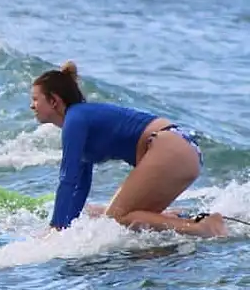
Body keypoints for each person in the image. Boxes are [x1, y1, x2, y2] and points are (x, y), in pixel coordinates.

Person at [31, 61, 226, 236]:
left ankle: (200, 228)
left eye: (36, 99)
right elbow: (80, 187)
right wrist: (65, 229)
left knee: (114, 219)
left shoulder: (75, 118)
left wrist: (54, 228)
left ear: (54, 100)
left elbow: (67, 180)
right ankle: (190, 220)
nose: (32, 106)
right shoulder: (80, 120)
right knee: (131, 218)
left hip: (169, 147)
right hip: (183, 150)